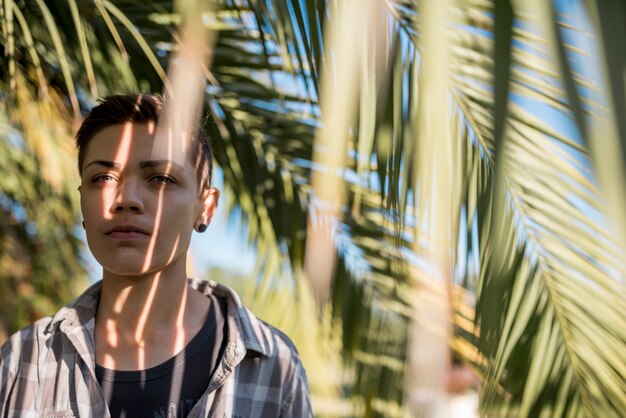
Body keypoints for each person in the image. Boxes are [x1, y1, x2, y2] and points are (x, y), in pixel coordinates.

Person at [0, 94, 312, 417]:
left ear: (205, 207)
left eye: (161, 178)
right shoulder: (22, 364)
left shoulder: (275, 368)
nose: (126, 199)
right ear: (83, 202)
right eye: (103, 178)